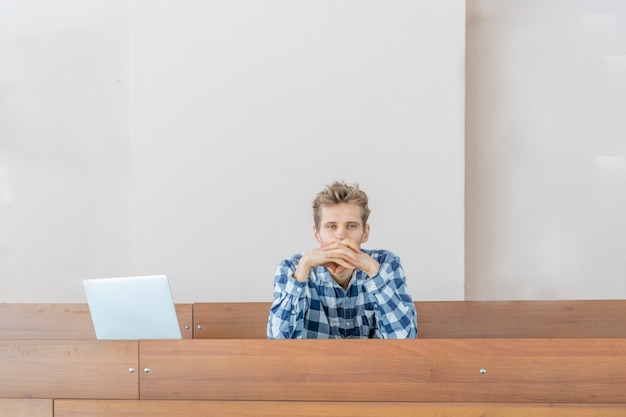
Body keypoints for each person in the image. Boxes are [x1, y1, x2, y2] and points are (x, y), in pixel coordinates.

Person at [267, 181, 418, 339]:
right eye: (331, 226)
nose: (341, 235)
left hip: (373, 364)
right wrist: (303, 269)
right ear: (317, 233)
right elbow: (278, 341)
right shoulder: (291, 268)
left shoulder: (386, 265)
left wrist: (374, 271)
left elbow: (405, 339)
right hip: (314, 364)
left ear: (365, 233)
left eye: (351, 226)